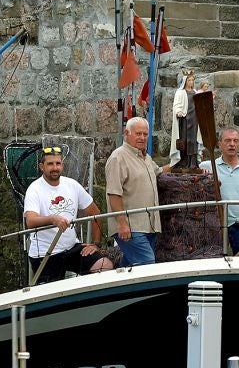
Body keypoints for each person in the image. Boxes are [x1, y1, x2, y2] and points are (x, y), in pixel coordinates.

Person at [23, 146, 114, 284]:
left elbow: (95, 213)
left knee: (105, 265)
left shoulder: (72, 185)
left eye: (58, 163)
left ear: (62, 165)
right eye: (50, 164)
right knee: (51, 295)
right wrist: (53, 219)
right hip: (46, 254)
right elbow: (30, 221)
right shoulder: (34, 189)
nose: (55, 167)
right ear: (42, 166)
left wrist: (96, 244)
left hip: (72, 248)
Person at [106, 116, 163, 266]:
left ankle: (118, 288)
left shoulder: (146, 157)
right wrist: (122, 224)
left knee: (130, 267)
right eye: (138, 134)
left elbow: (160, 171)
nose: (142, 138)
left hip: (149, 225)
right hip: (131, 226)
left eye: (145, 134)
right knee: (146, 263)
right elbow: (113, 193)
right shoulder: (118, 158)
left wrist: (182, 166)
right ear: (126, 133)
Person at [200, 126, 239, 256]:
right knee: (213, 262)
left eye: (235, 140)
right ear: (219, 144)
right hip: (215, 225)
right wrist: (200, 176)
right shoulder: (207, 167)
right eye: (227, 140)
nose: (232, 144)